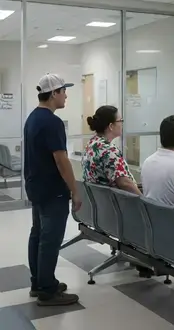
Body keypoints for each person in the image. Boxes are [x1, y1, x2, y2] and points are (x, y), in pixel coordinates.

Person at [25, 73, 81, 306]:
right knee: (50, 239)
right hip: (52, 190)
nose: (66, 95)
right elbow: (61, 160)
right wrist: (74, 190)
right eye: (63, 91)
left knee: (38, 234)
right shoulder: (52, 122)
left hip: (36, 187)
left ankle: (38, 282)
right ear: (54, 94)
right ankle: (47, 291)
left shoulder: (33, 118)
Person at [82, 105, 141, 196]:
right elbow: (124, 183)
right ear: (111, 126)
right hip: (117, 200)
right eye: (120, 121)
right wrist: (143, 200)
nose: (122, 124)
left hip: (100, 199)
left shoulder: (91, 144)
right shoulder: (109, 150)